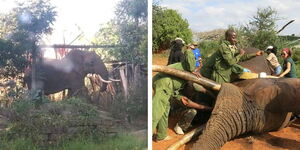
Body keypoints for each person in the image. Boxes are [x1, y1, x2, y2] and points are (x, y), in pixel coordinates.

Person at [152, 50, 212, 141]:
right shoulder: (187, 67)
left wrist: (211, 94)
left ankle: (161, 135)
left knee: (164, 111)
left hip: (170, 90)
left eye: (200, 63)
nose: (200, 65)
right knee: (157, 111)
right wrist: (206, 108)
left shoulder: (189, 74)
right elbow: (188, 53)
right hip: (165, 85)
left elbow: (200, 88)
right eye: (198, 62)